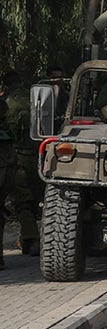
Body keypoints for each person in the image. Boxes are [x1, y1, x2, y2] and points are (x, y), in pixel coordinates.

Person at [1, 71, 40, 264]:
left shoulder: (6, 103)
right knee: (38, 200)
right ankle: (28, 240)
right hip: (39, 155)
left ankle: (33, 241)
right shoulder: (35, 98)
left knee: (23, 202)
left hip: (15, 158)